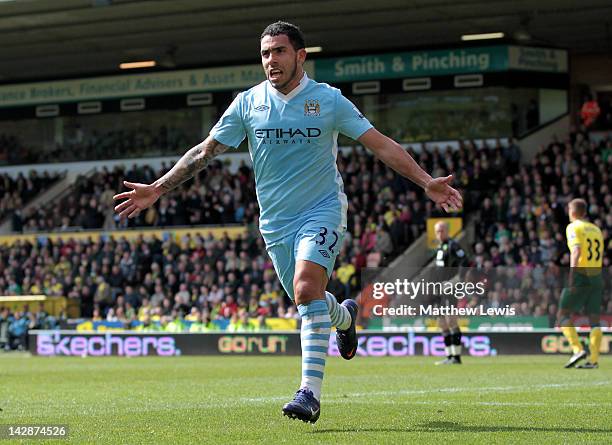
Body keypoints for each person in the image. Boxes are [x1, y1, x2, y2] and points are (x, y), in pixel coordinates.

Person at [113, 21, 462, 423]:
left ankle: (308, 394)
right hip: (275, 223)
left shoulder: (329, 101)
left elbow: (380, 144)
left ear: (300, 56)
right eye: (264, 53)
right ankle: (345, 318)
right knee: (308, 300)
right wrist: (158, 187)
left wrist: (425, 181)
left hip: (323, 209)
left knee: (305, 287)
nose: (270, 60)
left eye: (279, 51)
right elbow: (204, 151)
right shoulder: (248, 103)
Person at [557, 199, 604, 369]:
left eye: (569, 209)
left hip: (581, 275)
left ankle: (577, 349)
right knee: (594, 320)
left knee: (562, 314)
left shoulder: (574, 227)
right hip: (597, 276)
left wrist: (572, 275)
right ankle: (593, 360)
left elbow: (576, 251)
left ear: (573, 211)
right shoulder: (596, 229)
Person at [431, 221, 468, 365]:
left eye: (441, 230)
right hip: (439, 288)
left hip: (450, 287)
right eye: (437, 231)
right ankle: (449, 356)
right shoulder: (440, 247)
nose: (439, 234)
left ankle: (456, 357)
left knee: (451, 320)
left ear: (447, 230)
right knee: (441, 322)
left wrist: (457, 279)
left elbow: (465, 261)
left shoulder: (453, 245)